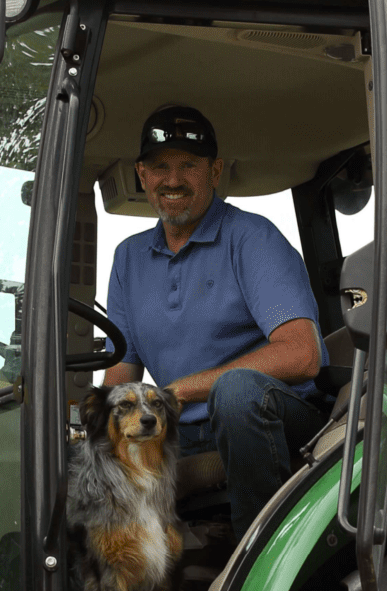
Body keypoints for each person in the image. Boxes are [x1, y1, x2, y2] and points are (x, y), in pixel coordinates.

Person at [103, 104, 328, 535]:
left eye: (189, 165)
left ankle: (256, 561)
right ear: (142, 175)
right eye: (160, 167)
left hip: (271, 425)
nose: (173, 179)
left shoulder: (251, 238)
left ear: (215, 171)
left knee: (236, 390)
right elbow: (122, 374)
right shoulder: (128, 259)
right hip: (180, 434)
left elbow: (304, 353)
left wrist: (184, 388)